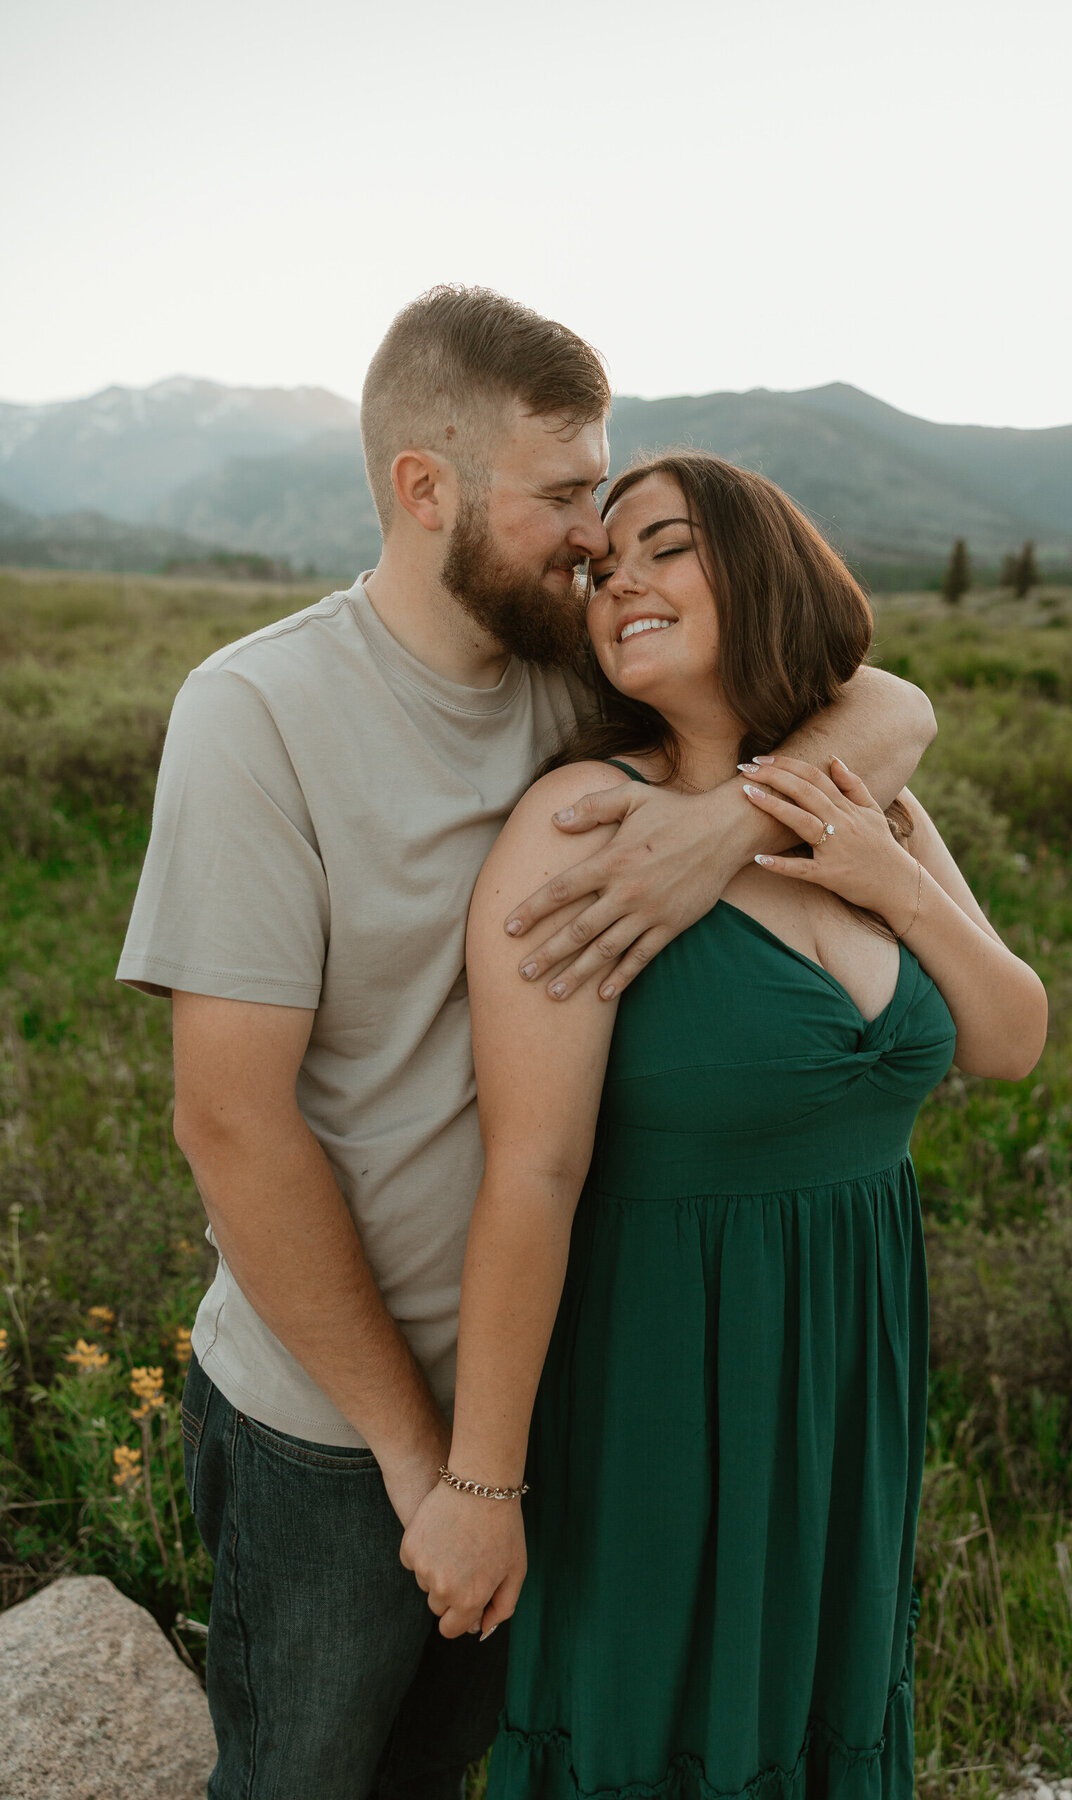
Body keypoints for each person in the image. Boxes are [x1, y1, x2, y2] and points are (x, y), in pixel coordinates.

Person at [117, 290, 935, 1800]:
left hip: (565, 1378)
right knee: (304, 1778)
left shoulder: (576, 662)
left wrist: (726, 829)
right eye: (563, 493)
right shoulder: (257, 714)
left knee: (459, 1772)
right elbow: (232, 1126)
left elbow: (888, 699)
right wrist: (431, 1471)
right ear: (425, 487)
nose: (592, 536)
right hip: (337, 1422)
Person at [400, 453, 1047, 1797]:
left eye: (666, 545)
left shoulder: (863, 804)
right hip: (661, 1376)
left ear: (761, 571)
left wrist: (895, 878)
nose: (618, 576)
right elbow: (533, 1170)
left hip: (842, 1372)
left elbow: (1010, 1038)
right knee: (655, 1733)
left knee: (816, 1715)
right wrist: (480, 1486)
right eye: (599, 567)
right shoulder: (579, 831)